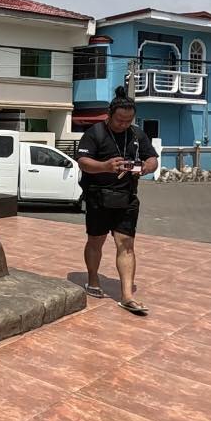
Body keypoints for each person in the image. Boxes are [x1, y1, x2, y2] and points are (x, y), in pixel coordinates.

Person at [75, 86, 159, 315]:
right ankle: (93, 280)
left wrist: (146, 168)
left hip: (127, 198)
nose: (123, 124)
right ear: (109, 115)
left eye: (128, 121)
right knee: (96, 242)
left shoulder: (136, 134)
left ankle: (127, 296)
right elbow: (82, 161)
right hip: (98, 197)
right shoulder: (95, 133)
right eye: (119, 120)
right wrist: (105, 166)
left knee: (126, 245)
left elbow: (152, 158)